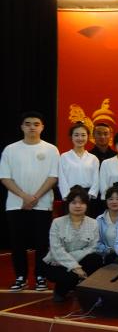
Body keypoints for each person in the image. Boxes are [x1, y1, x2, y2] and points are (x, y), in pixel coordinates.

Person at [2, 112, 62, 291]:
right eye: (27, 124)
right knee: (17, 243)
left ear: (42, 127)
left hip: (42, 204)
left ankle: (40, 276)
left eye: (36, 124)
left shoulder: (51, 149)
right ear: (22, 127)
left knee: (41, 242)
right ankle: (20, 277)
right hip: (16, 204)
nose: (32, 127)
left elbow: (53, 176)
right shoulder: (10, 149)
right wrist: (24, 196)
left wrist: (35, 197)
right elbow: (5, 177)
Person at [43, 186, 101, 303]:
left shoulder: (94, 223)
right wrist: (75, 266)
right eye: (74, 202)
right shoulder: (57, 222)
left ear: (87, 205)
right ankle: (61, 290)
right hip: (57, 263)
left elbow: (93, 247)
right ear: (68, 204)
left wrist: (75, 264)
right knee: (69, 276)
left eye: (82, 203)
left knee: (95, 259)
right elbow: (56, 250)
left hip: (79, 261)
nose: (78, 206)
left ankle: (81, 287)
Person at [59, 122, 100, 213]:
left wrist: (89, 196)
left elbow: (96, 179)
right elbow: (62, 179)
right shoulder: (64, 157)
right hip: (70, 196)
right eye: (76, 135)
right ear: (71, 137)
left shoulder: (93, 158)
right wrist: (68, 196)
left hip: (87, 197)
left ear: (88, 137)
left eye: (83, 135)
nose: (80, 138)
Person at [96, 184, 118, 266]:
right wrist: (109, 250)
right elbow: (97, 243)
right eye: (111, 199)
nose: (114, 202)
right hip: (107, 256)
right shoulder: (99, 219)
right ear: (106, 201)